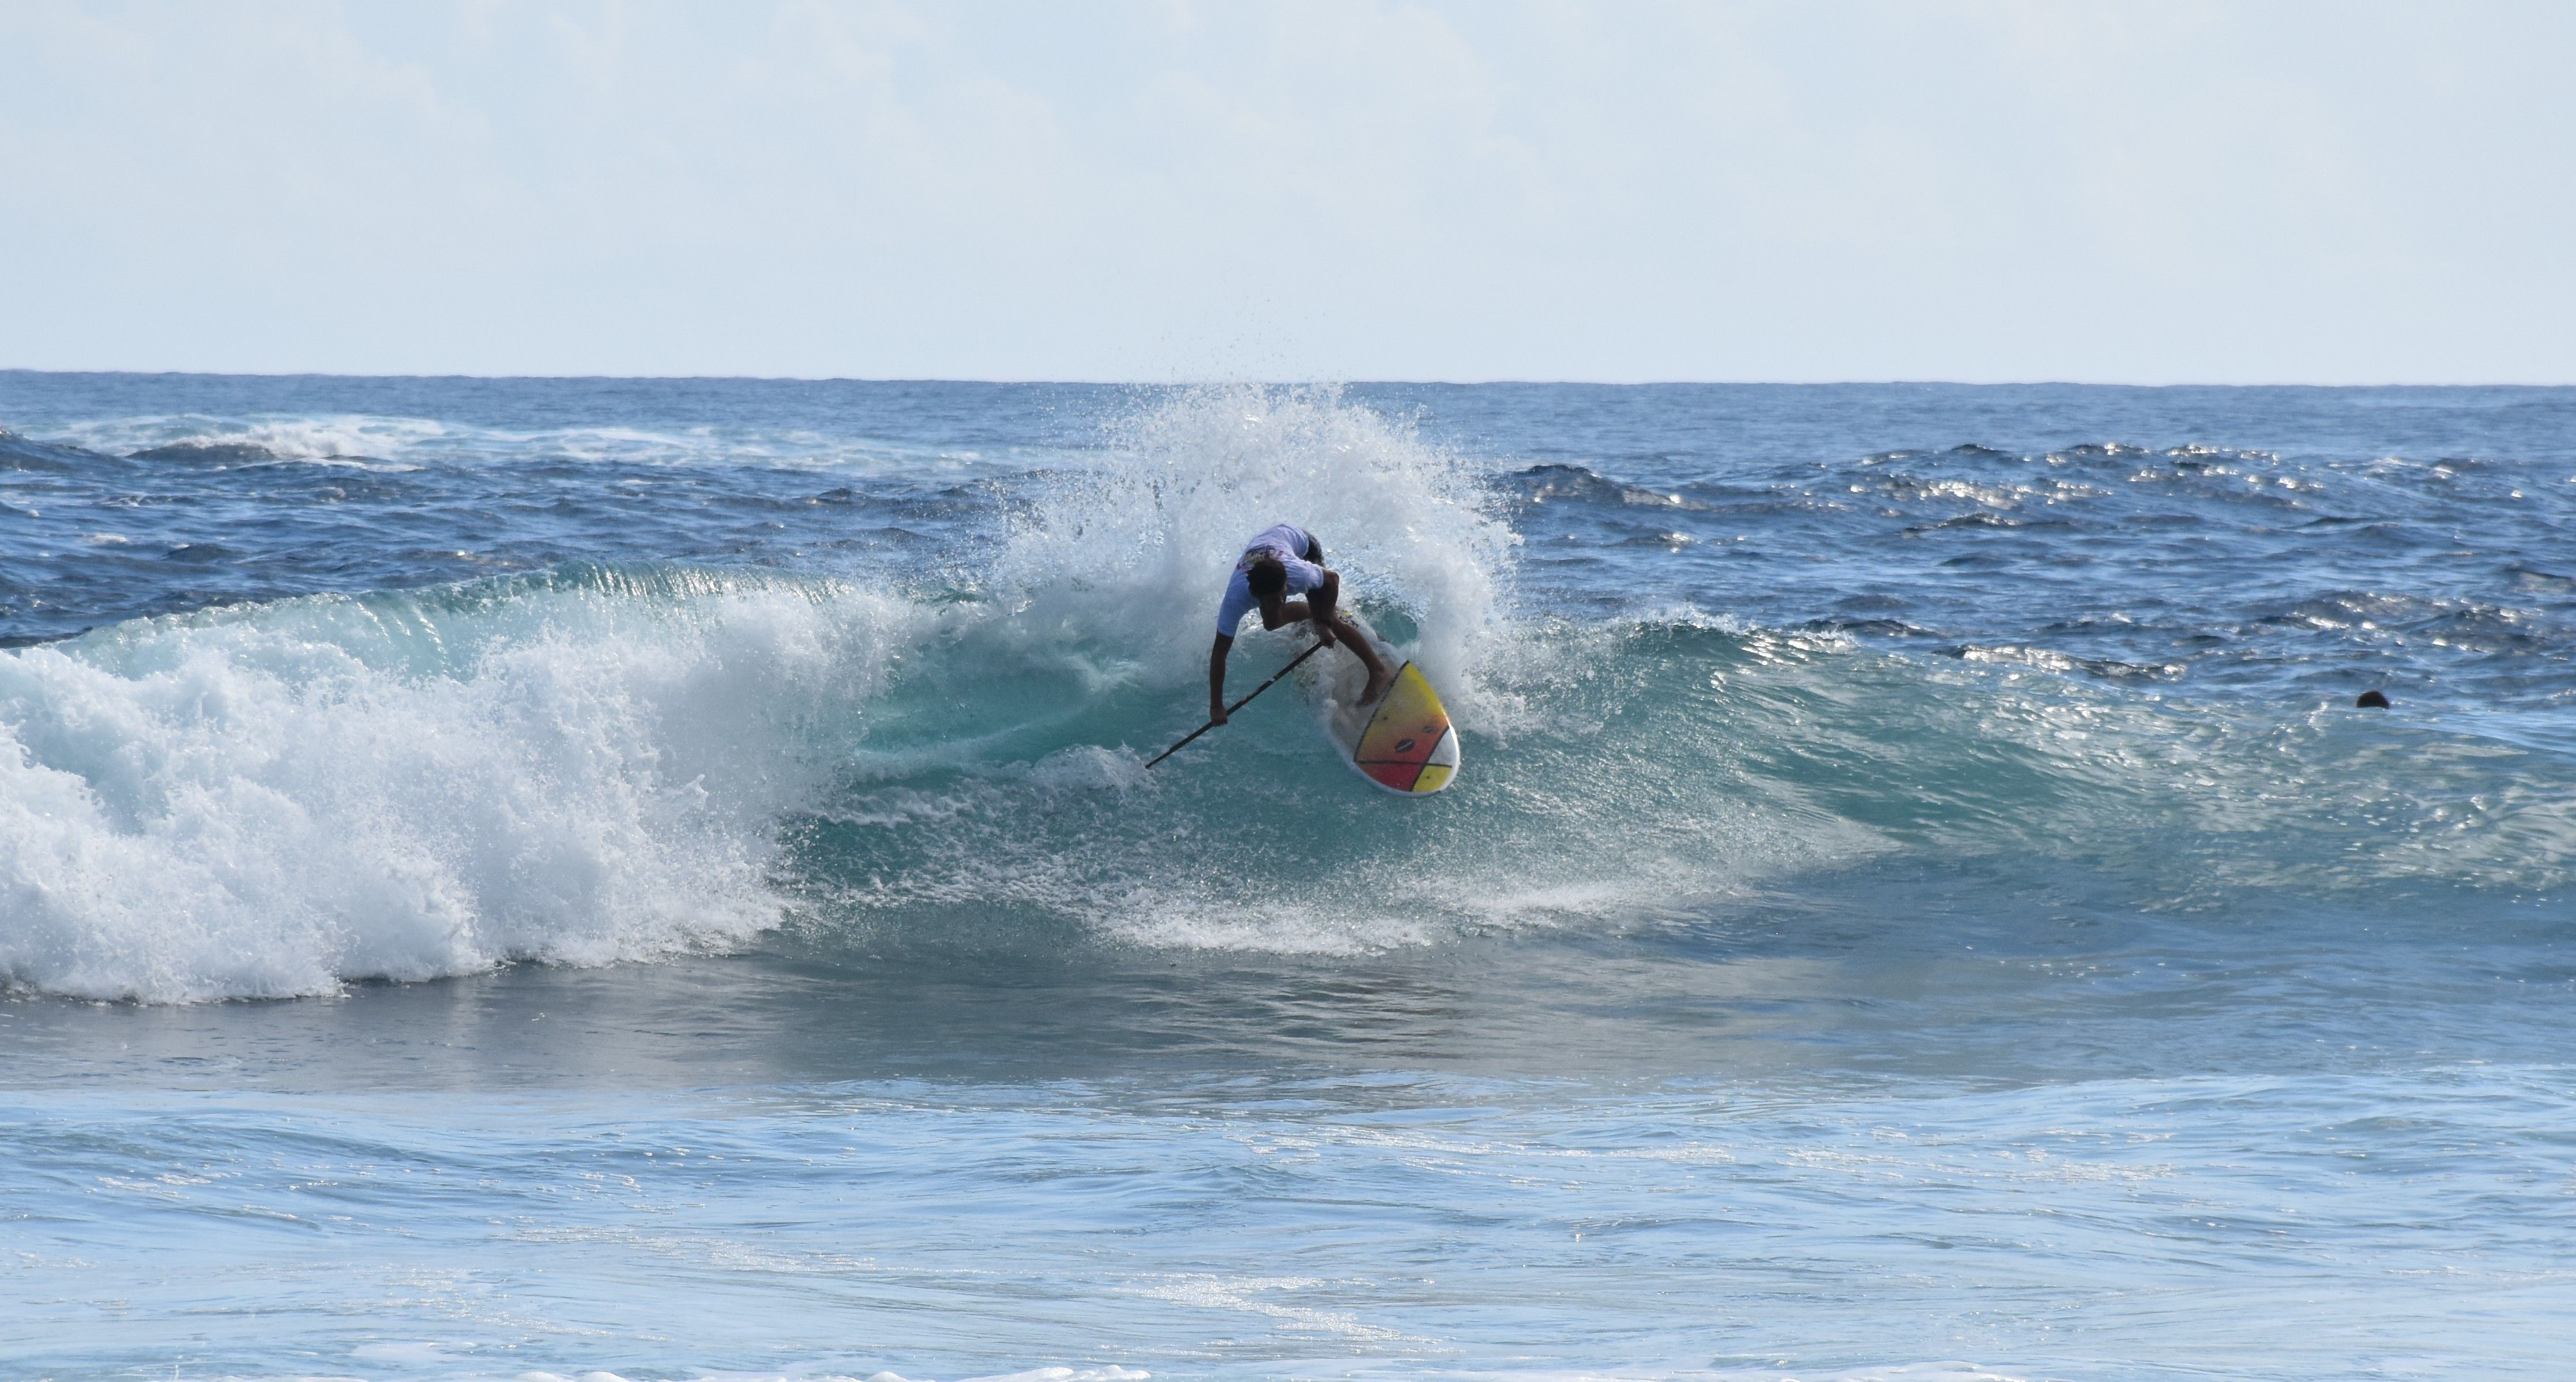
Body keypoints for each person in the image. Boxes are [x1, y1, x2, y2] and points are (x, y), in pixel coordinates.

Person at [1208, 523, 1390, 725]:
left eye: (1283, 594)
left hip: (1304, 546)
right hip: (1267, 554)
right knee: (1272, 623)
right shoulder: (1236, 599)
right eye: (1272, 600)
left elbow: (1332, 579)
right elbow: (1219, 654)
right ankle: (1315, 614)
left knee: (1329, 619)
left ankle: (1378, 670)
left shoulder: (1298, 573)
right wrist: (1216, 705)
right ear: (1256, 597)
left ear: (1287, 583)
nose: (1281, 601)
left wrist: (1325, 623)